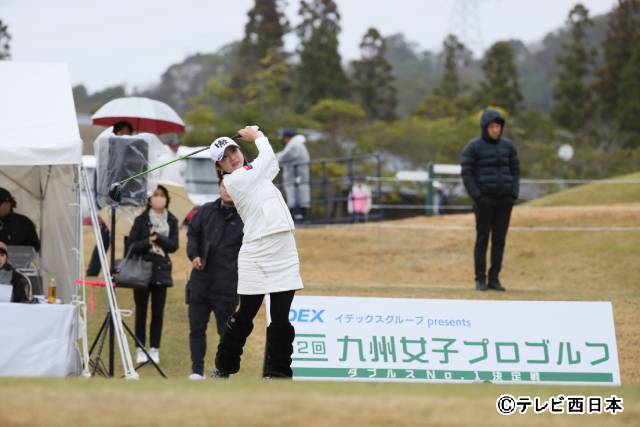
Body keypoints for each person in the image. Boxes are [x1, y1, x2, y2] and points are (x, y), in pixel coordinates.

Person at [210, 126, 304, 379]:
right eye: (225, 158)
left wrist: (259, 142)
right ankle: (224, 365)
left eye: (234, 151)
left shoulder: (255, 173)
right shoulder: (235, 180)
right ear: (221, 169)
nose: (233, 158)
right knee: (245, 314)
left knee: (281, 317)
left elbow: (269, 162)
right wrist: (258, 136)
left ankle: (278, 372)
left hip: (284, 248)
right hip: (256, 252)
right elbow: (267, 158)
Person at [185, 180, 244, 380]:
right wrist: (194, 255)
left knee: (226, 333)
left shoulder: (246, 215)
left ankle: (223, 371)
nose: (227, 191)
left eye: (232, 187)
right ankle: (196, 371)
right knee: (197, 329)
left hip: (228, 285)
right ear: (219, 188)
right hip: (200, 282)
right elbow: (192, 234)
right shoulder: (205, 211)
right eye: (224, 186)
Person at [460, 108, 520, 292]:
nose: (496, 130)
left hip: (505, 202)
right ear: (485, 127)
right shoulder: (473, 147)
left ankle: (494, 278)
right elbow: (466, 173)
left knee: (500, 241)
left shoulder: (509, 147)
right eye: (492, 126)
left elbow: (515, 170)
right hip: (484, 202)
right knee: (482, 239)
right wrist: (478, 196)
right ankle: (480, 279)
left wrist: (513, 193)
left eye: (498, 126)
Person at [127, 185, 179, 364]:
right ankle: (140, 348)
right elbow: (132, 246)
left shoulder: (171, 220)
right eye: (155, 195)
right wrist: (148, 241)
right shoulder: (141, 220)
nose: (159, 198)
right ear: (149, 199)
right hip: (142, 270)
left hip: (161, 271)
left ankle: (154, 348)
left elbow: (173, 246)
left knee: (158, 312)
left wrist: (159, 238)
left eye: (162, 195)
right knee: (141, 311)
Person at [275, 130, 311, 222]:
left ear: (286, 138)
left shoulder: (294, 145)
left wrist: (272, 157)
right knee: (300, 199)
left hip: (296, 178)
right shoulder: (297, 144)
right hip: (298, 177)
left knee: (296, 199)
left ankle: (298, 220)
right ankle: (300, 218)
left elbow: (285, 156)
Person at [0, 187, 40, 252]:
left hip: (16, 261)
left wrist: (10, 251)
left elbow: (34, 248)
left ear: (8, 204)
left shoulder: (24, 223)